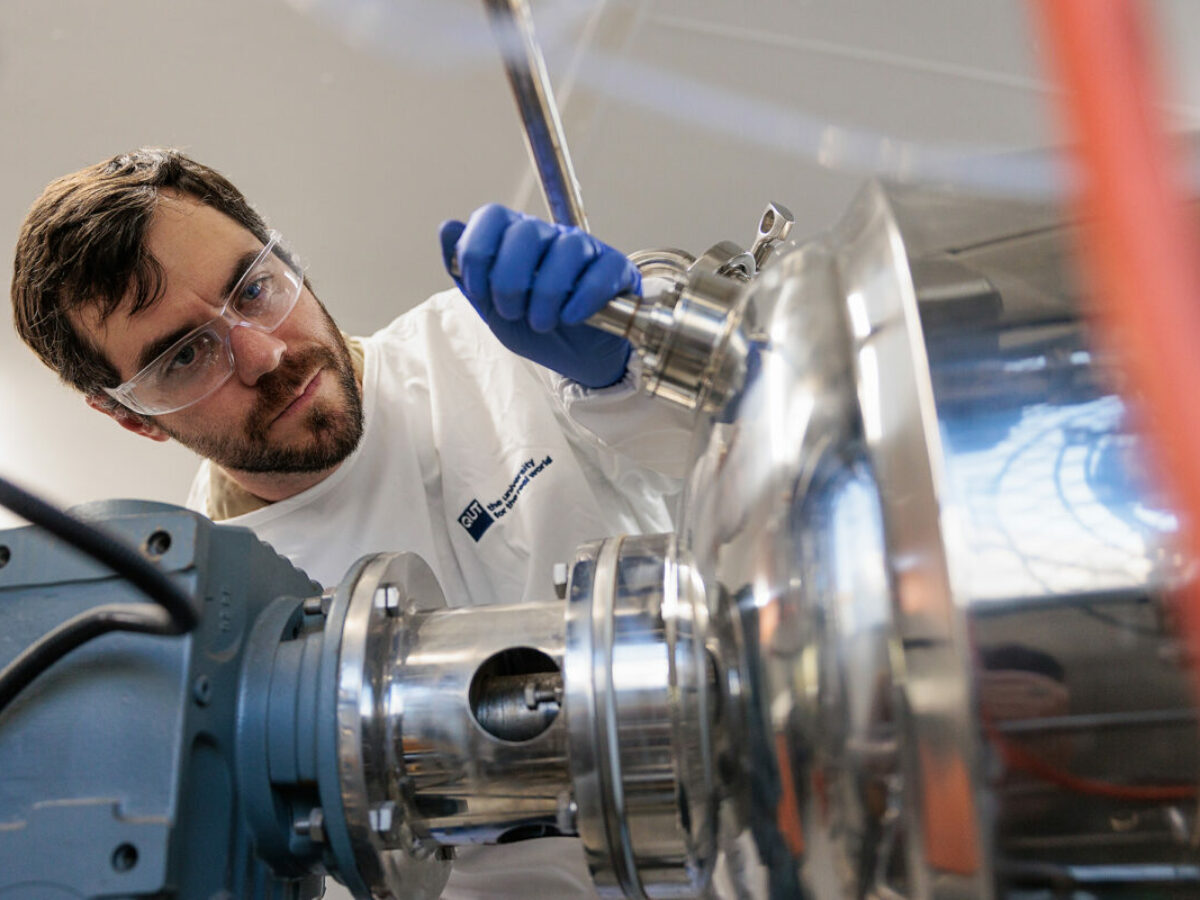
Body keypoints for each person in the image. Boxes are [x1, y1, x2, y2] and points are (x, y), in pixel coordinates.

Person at [10, 148, 694, 897]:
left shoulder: (490, 344)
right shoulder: (201, 631)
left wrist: (634, 362)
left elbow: (740, 446)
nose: (264, 353)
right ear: (132, 418)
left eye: (254, 288)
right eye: (185, 356)